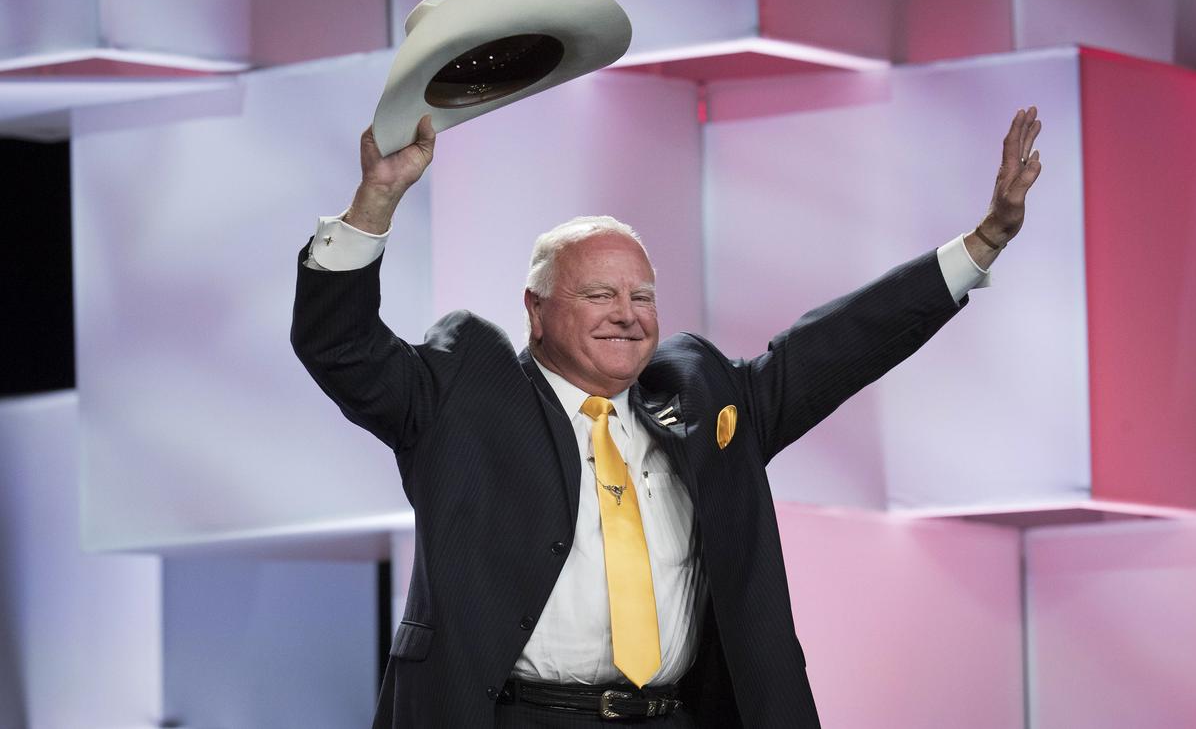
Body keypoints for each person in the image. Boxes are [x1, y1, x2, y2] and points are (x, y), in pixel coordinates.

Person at [291, 109, 1043, 728]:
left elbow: (837, 345)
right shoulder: (464, 395)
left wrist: (981, 245)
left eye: (641, 296)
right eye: (598, 296)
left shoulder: (699, 398)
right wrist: (376, 203)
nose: (626, 315)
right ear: (537, 310)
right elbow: (341, 345)